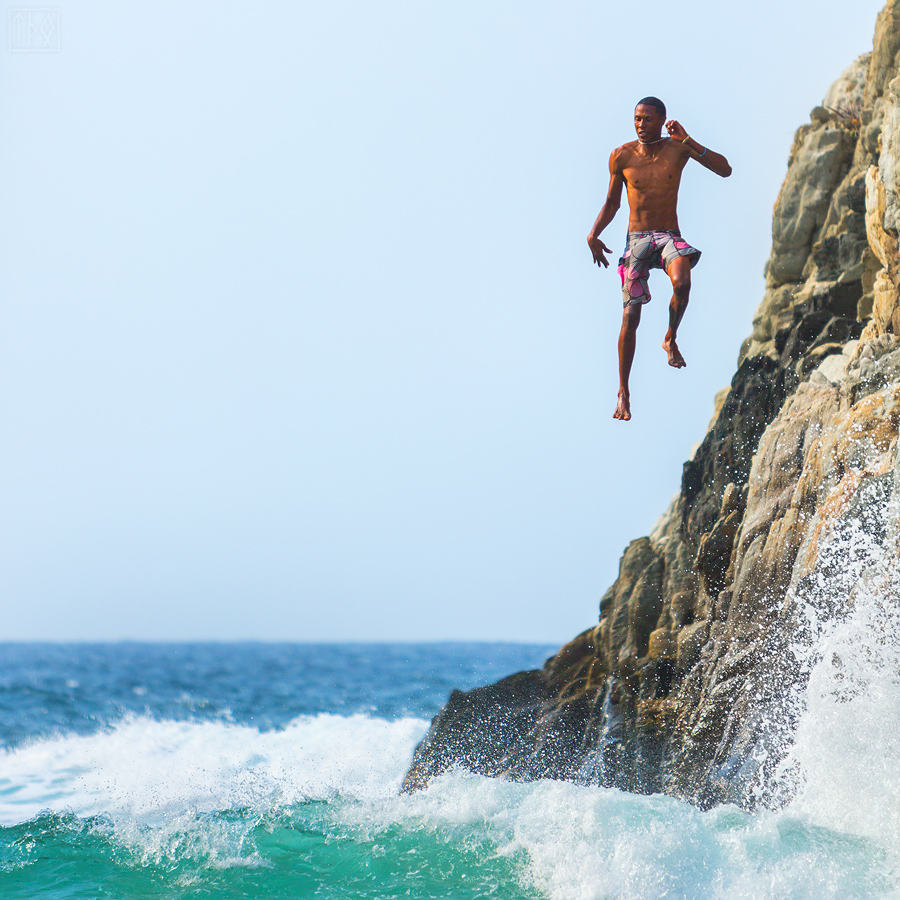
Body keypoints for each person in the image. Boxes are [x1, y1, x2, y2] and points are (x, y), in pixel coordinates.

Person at [587, 97, 731, 421]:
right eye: (637, 119)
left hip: (668, 235)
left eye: (647, 119)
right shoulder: (621, 156)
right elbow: (612, 203)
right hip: (637, 240)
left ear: (662, 120)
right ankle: (623, 392)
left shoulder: (677, 149)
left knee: (683, 282)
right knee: (630, 317)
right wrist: (593, 234)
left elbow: (725, 170)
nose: (640, 125)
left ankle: (670, 338)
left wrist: (688, 140)